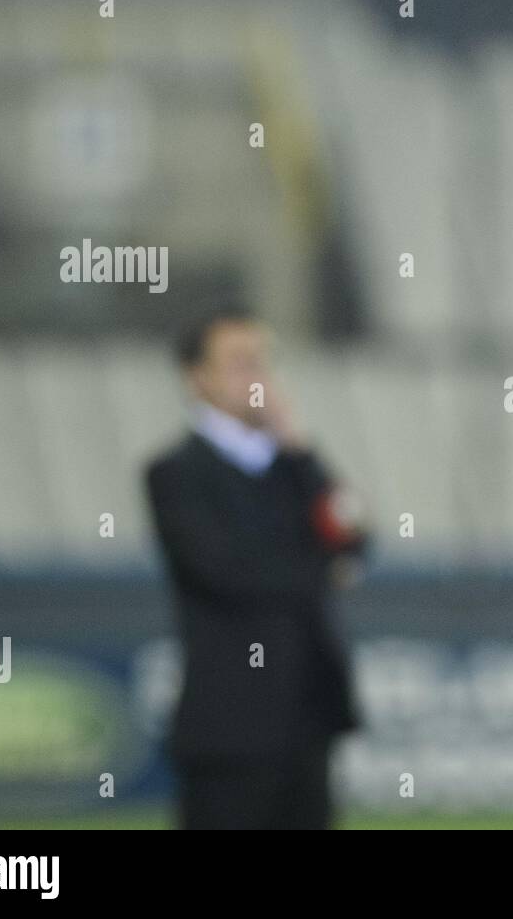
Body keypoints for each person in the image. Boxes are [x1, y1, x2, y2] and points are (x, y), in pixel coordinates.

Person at [145, 306, 367, 829]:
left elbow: (352, 537)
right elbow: (226, 574)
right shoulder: (177, 473)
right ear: (198, 378)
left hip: (307, 720)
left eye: (264, 361)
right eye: (241, 362)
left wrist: (303, 450)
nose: (259, 377)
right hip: (229, 732)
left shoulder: (290, 465)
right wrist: (323, 569)